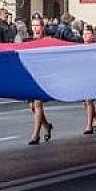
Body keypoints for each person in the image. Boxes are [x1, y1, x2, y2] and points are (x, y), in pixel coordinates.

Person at [27, 16, 54, 144]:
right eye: (33, 25)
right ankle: (46, 126)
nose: (35, 28)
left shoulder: (47, 41)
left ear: (42, 27)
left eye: (38, 25)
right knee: (32, 106)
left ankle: (35, 134)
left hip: (42, 77)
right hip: (31, 76)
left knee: (37, 104)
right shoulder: (27, 41)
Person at [80, 25, 96, 134]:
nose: (85, 36)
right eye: (84, 33)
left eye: (88, 33)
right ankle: (95, 117)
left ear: (92, 35)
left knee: (88, 100)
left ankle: (88, 125)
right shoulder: (79, 47)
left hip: (93, 76)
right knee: (85, 102)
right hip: (83, 76)